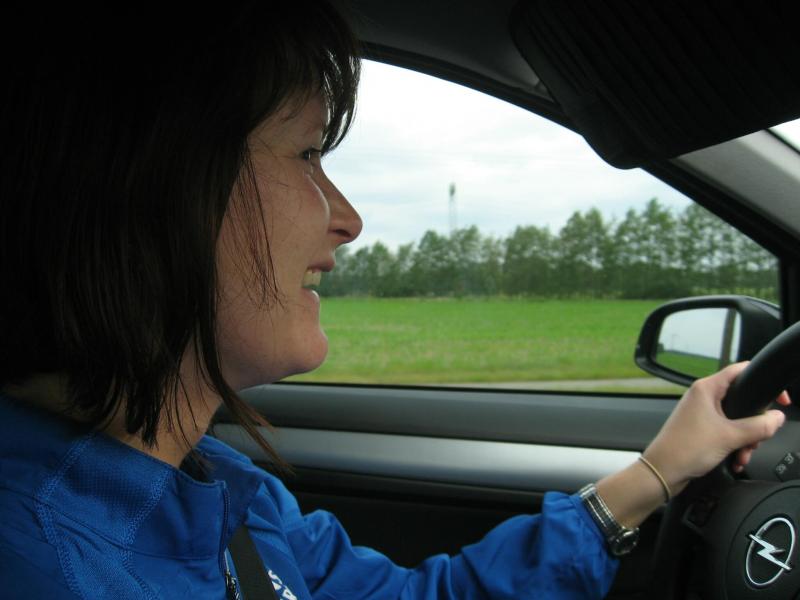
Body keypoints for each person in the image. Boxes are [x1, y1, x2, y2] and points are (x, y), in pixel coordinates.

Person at [0, 3, 790, 599]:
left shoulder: (224, 492)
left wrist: (657, 472)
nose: (348, 219)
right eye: (307, 152)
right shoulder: (43, 566)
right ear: (151, 186)